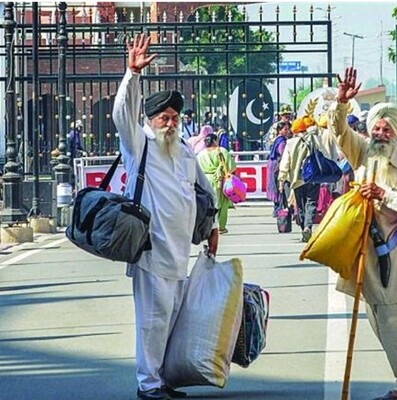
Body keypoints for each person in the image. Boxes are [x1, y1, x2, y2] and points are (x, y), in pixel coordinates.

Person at [112, 34, 219, 400]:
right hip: (150, 249)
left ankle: (162, 379)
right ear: (151, 120)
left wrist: (213, 227)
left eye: (175, 117)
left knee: (171, 318)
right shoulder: (139, 144)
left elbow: (205, 192)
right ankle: (148, 384)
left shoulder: (185, 152)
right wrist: (132, 75)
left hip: (179, 252)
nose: (170, 123)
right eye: (164, 117)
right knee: (152, 321)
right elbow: (122, 114)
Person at [329, 67, 397, 400]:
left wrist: (384, 195)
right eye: (376, 127)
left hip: (390, 252)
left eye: (386, 129)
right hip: (362, 251)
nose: (380, 132)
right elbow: (339, 131)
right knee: (378, 319)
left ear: (396, 133)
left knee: (390, 320)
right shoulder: (361, 150)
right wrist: (341, 102)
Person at [278, 116, 321, 242]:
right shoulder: (314, 139)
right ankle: (308, 226)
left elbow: (285, 163)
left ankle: (303, 228)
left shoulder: (290, 143)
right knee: (311, 202)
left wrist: (282, 179)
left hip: (297, 178)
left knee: (300, 204)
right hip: (313, 177)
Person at [197, 132, 236, 235]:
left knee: (208, 204)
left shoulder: (200, 154)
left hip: (205, 180)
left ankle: (209, 226)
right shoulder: (222, 151)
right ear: (215, 141)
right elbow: (231, 167)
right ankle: (221, 227)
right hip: (220, 180)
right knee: (222, 204)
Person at [266, 121, 291, 214]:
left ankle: (277, 208)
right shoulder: (282, 141)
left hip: (272, 164)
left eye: (288, 129)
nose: (287, 131)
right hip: (277, 166)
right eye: (285, 129)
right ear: (280, 130)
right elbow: (283, 153)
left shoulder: (277, 139)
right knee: (278, 188)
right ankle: (278, 210)